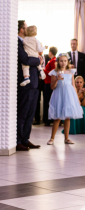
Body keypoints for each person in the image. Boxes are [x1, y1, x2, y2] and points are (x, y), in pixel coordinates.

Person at [17, 20, 43, 151]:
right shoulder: (18, 43)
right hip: (25, 83)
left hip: (34, 83)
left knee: (30, 114)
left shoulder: (29, 42)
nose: (27, 29)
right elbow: (25, 59)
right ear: (22, 30)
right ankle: (18, 141)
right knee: (23, 113)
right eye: (26, 27)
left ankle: (25, 139)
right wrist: (38, 60)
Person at [47, 54, 83, 145]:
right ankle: (52, 138)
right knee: (58, 117)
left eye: (65, 61)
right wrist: (57, 79)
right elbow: (52, 87)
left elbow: (73, 86)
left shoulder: (70, 72)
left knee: (67, 117)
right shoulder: (54, 72)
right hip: (59, 95)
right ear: (58, 62)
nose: (63, 63)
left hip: (69, 95)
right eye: (61, 61)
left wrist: (77, 99)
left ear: (67, 62)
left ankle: (66, 138)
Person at [34, 52, 50, 125]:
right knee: (37, 100)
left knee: (47, 100)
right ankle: (37, 119)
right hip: (37, 80)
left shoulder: (47, 57)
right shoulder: (35, 56)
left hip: (46, 81)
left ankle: (46, 120)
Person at [43, 47, 58, 126]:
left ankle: (48, 119)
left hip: (49, 83)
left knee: (48, 101)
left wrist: (44, 70)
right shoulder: (52, 60)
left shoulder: (53, 61)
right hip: (48, 82)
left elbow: (53, 72)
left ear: (51, 52)